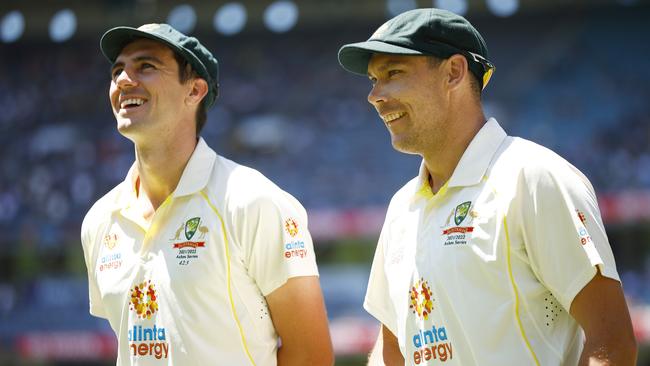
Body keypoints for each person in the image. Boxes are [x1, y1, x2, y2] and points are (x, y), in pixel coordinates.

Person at [338, 8, 637, 365]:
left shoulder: (534, 177)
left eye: (393, 73)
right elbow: (391, 353)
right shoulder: (401, 207)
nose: (375, 95)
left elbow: (611, 343)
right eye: (373, 79)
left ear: (454, 72)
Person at [80, 23, 333, 365]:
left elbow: (311, 356)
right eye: (117, 70)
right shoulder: (99, 220)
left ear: (195, 90)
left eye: (146, 66)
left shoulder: (252, 200)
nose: (124, 80)